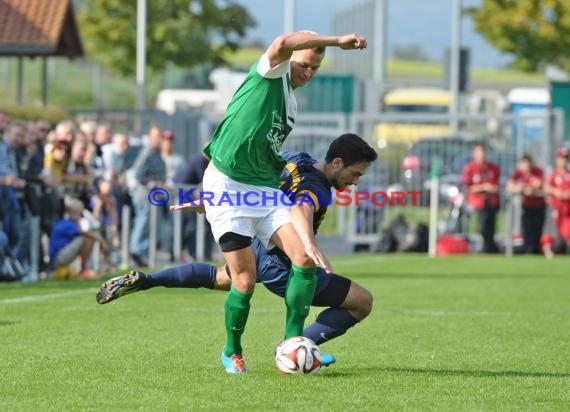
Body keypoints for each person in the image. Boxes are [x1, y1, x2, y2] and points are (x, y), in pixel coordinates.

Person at [96, 133, 377, 368]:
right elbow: (300, 207)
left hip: (258, 243)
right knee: (362, 301)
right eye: (355, 174)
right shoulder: (318, 187)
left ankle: (148, 280)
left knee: (221, 278)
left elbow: (256, 191)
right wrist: (309, 245)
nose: (355, 182)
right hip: (283, 264)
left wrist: (210, 203)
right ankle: (296, 347)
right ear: (337, 163)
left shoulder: (295, 160)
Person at [200, 30, 367, 373]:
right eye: (305, 64)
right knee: (243, 281)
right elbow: (282, 42)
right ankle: (231, 350)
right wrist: (336, 42)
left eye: (315, 69)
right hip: (227, 185)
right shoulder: (270, 74)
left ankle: (293, 344)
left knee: (303, 259)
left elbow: (265, 152)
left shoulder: (290, 103)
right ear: (291, 58)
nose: (308, 73)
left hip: (260, 188)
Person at [128, 125, 166, 266]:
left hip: (153, 197)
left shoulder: (156, 153)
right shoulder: (147, 153)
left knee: (150, 225)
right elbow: (138, 174)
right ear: (150, 138)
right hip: (144, 195)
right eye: (156, 136)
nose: (159, 139)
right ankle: (136, 251)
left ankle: (141, 253)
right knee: (143, 223)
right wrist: (153, 183)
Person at [49, 197, 107, 280]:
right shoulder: (66, 223)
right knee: (87, 239)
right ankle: (83, 270)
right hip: (58, 258)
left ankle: (83, 269)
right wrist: (101, 241)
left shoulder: (71, 223)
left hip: (61, 257)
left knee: (87, 238)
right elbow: (85, 233)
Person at [461, 143, 500, 253]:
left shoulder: (492, 168)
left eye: (483, 153)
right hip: (477, 202)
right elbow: (468, 187)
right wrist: (483, 187)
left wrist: (489, 188)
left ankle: (490, 248)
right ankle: (486, 247)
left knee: (491, 226)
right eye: (478, 153)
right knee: (481, 226)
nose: (481, 155)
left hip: (491, 202)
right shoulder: (470, 168)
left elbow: (495, 187)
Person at [506, 154, 545, 254]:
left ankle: (536, 250)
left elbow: (537, 185)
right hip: (527, 205)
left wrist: (523, 188)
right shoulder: (518, 174)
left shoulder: (538, 171)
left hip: (538, 205)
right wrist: (523, 189)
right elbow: (510, 186)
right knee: (526, 229)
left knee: (537, 230)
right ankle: (528, 250)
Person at [544, 147, 570, 253]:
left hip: (567, 212)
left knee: (566, 234)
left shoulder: (568, 174)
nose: (563, 160)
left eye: (565, 158)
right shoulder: (554, 174)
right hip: (556, 211)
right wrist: (557, 192)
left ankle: (553, 249)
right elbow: (546, 187)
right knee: (559, 237)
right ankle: (549, 248)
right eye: (561, 158)